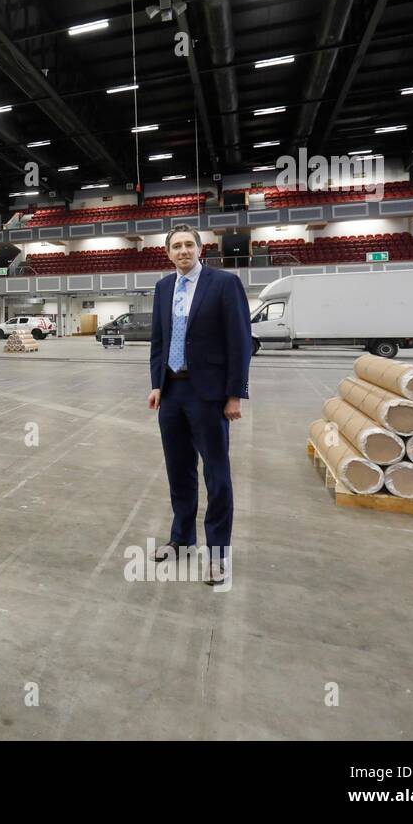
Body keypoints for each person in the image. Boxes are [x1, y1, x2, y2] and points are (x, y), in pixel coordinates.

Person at [147, 225, 252, 586]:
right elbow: (159, 341)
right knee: (179, 471)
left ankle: (218, 555)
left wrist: (235, 393)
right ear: (167, 253)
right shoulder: (163, 287)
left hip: (209, 394)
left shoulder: (224, 284)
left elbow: (240, 341)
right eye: (176, 246)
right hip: (172, 392)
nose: (183, 251)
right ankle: (181, 539)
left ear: (200, 248)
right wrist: (156, 385)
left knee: (216, 475)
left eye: (189, 244)